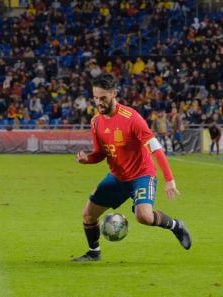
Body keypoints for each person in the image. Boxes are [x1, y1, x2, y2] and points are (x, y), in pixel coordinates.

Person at [73, 73, 191, 262]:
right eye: (96, 98)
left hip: (142, 175)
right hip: (118, 177)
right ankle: (93, 252)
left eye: (103, 98)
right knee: (88, 215)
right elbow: (101, 153)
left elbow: (155, 147)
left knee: (144, 216)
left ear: (114, 94)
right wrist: (87, 159)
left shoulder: (132, 118)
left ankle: (177, 226)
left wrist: (169, 179)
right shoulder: (96, 122)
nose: (99, 102)